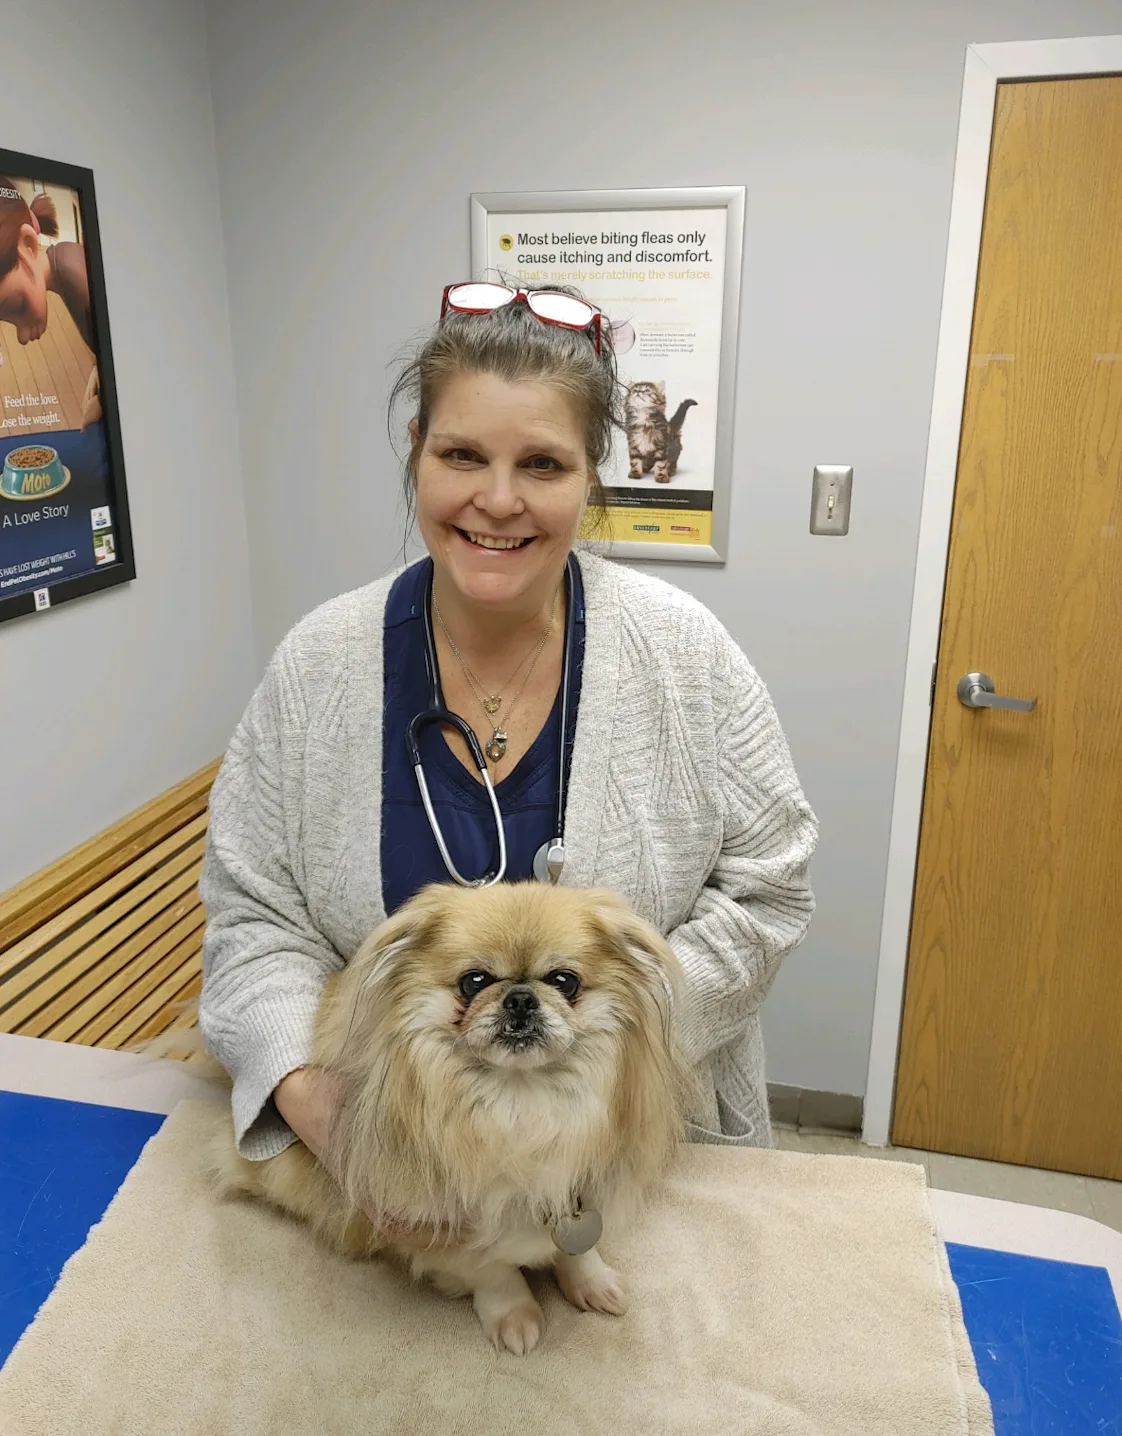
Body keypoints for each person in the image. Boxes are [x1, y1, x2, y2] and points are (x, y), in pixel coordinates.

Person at [198, 282, 818, 1248]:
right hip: (389, 1190)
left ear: (590, 477)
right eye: (461, 455)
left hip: (636, 1182)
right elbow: (253, 919)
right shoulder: (317, 667)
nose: (498, 499)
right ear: (415, 453)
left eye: (541, 463)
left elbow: (772, 891)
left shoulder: (686, 657)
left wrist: (628, 1052)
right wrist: (320, 1105)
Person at [0, 178, 101, 428]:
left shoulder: (77, 278)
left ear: (28, 245)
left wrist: (105, 404)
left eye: (18, 306)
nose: (23, 337)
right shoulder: (65, 269)